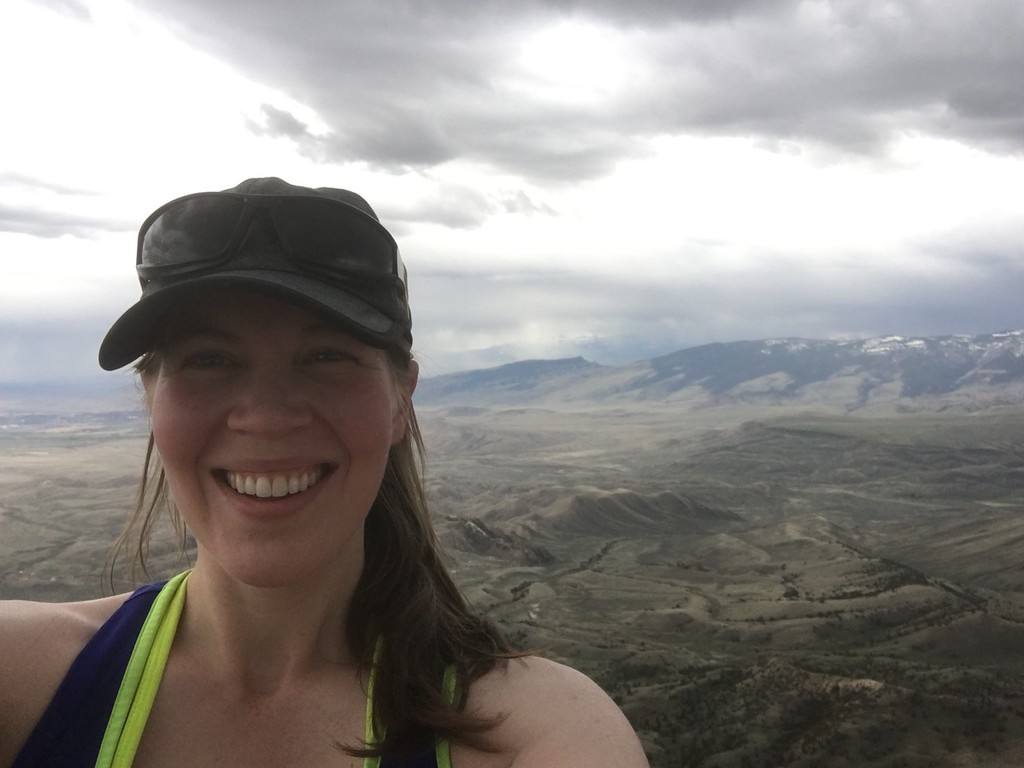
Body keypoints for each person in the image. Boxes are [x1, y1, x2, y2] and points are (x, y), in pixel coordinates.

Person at [0, 177, 649, 768]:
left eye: (325, 356)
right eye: (209, 360)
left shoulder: (532, 734)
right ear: (149, 397)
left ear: (402, 398)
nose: (265, 418)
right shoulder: (20, 676)